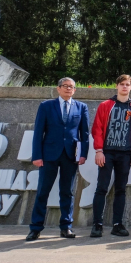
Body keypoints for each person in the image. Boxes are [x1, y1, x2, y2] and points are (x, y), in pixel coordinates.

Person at [26, 78, 89, 241]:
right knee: (42, 192)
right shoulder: (46, 106)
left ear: (74, 90)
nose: (69, 89)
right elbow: (39, 132)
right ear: (58, 89)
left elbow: (84, 134)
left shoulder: (81, 107)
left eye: (72, 87)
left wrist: (83, 155)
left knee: (67, 192)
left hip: (71, 155)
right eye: (65, 86)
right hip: (49, 155)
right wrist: (37, 155)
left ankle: (66, 227)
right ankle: (35, 228)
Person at [90, 75, 131, 237]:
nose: (125, 87)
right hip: (107, 153)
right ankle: (97, 225)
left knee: (121, 190)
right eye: (122, 84)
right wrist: (99, 150)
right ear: (117, 86)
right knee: (102, 188)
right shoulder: (106, 105)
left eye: (128, 85)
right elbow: (97, 129)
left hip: (126, 154)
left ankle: (117, 224)